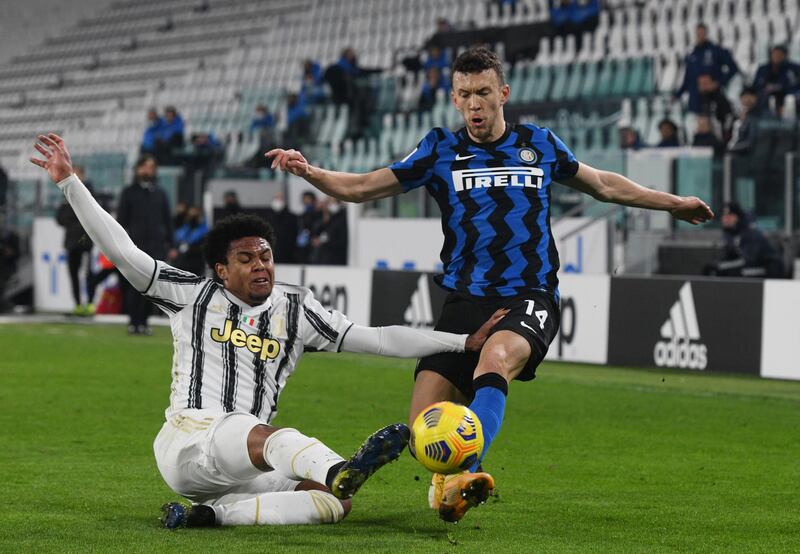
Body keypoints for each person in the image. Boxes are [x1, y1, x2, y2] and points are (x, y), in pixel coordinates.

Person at [267, 47, 714, 523]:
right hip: (465, 300)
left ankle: (469, 470)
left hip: (529, 294)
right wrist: (309, 172)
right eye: (464, 94)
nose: (474, 103)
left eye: (483, 92)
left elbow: (603, 183)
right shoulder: (439, 149)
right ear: (455, 99)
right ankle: (446, 483)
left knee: (495, 357)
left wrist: (671, 203)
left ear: (503, 94)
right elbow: (362, 187)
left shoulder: (538, 143)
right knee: (425, 430)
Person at [30, 132, 505, 529]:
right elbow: (123, 248)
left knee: (331, 503)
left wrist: (462, 342)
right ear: (221, 268)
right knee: (278, 438)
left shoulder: (296, 308)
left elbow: (378, 338)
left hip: (240, 466)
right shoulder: (192, 295)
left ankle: (211, 517)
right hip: (190, 438)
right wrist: (70, 181)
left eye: (266, 256)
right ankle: (343, 468)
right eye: (246, 259)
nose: (261, 266)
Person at [117, 155, 173, 335]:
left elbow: (168, 220)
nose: (147, 171)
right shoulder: (128, 192)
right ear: (137, 169)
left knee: (153, 286)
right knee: (134, 285)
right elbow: (120, 222)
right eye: (144, 167)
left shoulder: (160, 193)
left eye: (151, 167)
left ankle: (145, 321)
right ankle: (133, 321)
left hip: (156, 246)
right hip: (134, 246)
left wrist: (171, 244)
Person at [704, 202, 785, 278]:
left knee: (737, 273)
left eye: (729, 216)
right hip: (750, 266)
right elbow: (730, 256)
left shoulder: (751, 232)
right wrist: (717, 265)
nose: (725, 219)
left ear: (737, 217)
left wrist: (722, 266)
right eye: (723, 216)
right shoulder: (730, 234)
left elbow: (749, 260)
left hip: (767, 268)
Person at [55, 165, 95, 316]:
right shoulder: (66, 194)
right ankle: (78, 304)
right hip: (71, 243)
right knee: (74, 274)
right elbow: (59, 218)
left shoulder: (89, 195)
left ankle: (89, 303)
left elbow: (90, 217)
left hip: (85, 242)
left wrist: (74, 223)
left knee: (87, 274)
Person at [676, 23, 739, 113]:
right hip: (695, 97)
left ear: (706, 34)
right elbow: (688, 78)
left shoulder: (717, 50)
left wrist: (718, 83)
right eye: (698, 34)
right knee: (696, 122)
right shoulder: (691, 54)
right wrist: (678, 94)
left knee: (713, 120)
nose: (700, 36)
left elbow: (733, 69)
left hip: (713, 96)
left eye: (702, 33)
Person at [752, 45, 800, 112]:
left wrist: (780, 87)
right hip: (767, 94)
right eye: (775, 54)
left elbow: (796, 84)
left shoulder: (794, 67)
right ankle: (764, 118)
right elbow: (756, 84)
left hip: (787, 92)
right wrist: (767, 87)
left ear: (785, 56)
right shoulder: (763, 68)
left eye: (779, 54)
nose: (777, 56)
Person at [697, 73, 734, 143]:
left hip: (721, 134)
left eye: (705, 83)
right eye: (700, 83)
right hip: (707, 136)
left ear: (714, 83)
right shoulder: (701, 99)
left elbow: (729, 117)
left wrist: (726, 133)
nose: (703, 86)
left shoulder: (721, 99)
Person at [310, 198, 347, 265]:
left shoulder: (342, 219)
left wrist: (323, 243)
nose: (328, 205)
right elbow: (318, 232)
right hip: (324, 258)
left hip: (336, 259)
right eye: (327, 203)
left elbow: (341, 241)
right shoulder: (329, 218)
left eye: (331, 203)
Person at [173, 205, 209, 276]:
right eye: (190, 215)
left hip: (196, 265)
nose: (191, 217)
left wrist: (189, 248)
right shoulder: (185, 229)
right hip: (182, 265)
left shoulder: (204, 231)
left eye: (195, 215)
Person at [264, 191, 298, 264]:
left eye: (280, 198)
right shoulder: (266, 217)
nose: (278, 201)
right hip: (269, 253)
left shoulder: (292, 217)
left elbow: (293, 235)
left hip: (287, 254)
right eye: (276, 198)